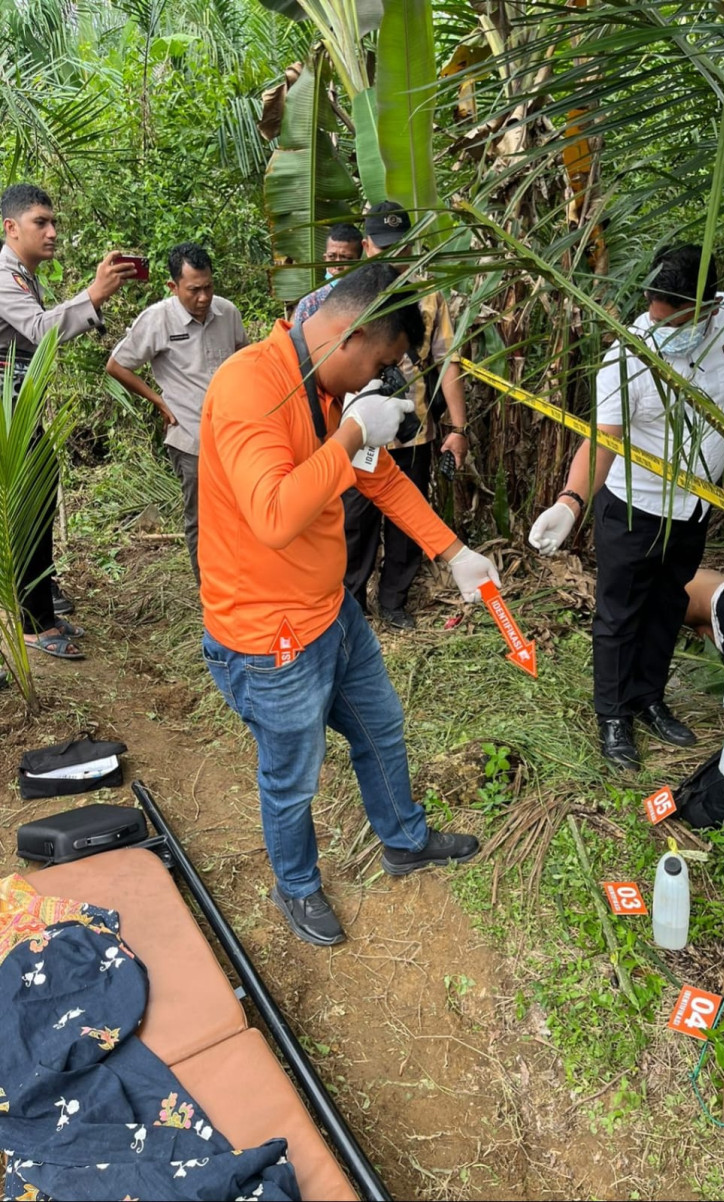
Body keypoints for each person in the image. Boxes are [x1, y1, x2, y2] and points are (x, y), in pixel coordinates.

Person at [198, 260, 501, 947]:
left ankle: (404, 840)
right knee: (292, 778)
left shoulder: (330, 391)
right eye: (384, 360)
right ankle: (297, 885)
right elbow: (274, 514)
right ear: (354, 332)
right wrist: (351, 435)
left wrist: (455, 554)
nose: (377, 379)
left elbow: (382, 481)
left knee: (381, 730)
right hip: (269, 637)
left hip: (331, 612)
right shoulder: (252, 385)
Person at [530, 244, 724, 769]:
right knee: (619, 615)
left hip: (695, 506)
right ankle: (613, 717)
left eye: (675, 320)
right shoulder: (629, 357)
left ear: (707, 308)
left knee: (669, 603)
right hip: (634, 507)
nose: (660, 326)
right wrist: (570, 503)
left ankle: (648, 698)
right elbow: (603, 440)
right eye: (655, 314)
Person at [0, 182, 136, 659]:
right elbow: (39, 330)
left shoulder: (22, 274)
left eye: (54, 221)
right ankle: (33, 624)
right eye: (42, 222)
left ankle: (38, 611)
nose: (53, 232)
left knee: (35, 506)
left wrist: (91, 300)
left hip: (19, 412)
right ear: (10, 227)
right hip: (7, 416)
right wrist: (93, 295)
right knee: (28, 510)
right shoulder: (3, 275)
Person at [344, 200, 470, 629]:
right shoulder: (349, 295)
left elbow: (448, 360)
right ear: (366, 245)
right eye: (383, 248)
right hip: (357, 434)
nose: (394, 257)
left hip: (413, 432)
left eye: (401, 247)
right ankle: (352, 602)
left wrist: (458, 427)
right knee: (355, 522)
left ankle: (394, 603)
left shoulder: (430, 293)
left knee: (407, 520)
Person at [106, 243, 248, 584]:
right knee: (201, 519)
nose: (203, 297)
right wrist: (159, 401)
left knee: (239, 514)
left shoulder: (227, 313)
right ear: (173, 287)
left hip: (234, 436)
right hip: (191, 438)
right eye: (194, 290)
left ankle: (240, 582)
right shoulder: (158, 319)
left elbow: (245, 358)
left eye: (208, 287)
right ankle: (210, 594)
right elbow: (116, 365)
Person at [290, 222, 363, 324]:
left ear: (358, 262)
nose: (338, 266)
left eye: (346, 258)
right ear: (325, 258)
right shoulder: (310, 303)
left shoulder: (369, 298)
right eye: (332, 257)